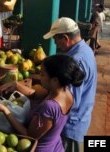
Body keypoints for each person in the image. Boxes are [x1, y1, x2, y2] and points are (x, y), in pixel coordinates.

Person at [0, 54, 85, 152]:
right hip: (56, 147)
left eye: (42, 74)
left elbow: (29, 135)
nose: (40, 77)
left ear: (54, 80)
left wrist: (5, 110)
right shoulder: (66, 92)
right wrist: (16, 85)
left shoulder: (50, 106)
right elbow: (35, 94)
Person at [43, 17, 97, 152]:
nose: (56, 44)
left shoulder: (75, 61)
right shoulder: (86, 50)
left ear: (66, 38)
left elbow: (68, 102)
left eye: (56, 39)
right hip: (81, 119)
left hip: (71, 127)